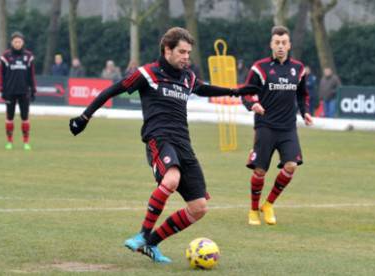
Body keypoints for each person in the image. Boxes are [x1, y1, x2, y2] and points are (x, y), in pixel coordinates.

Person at [69, 27, 259, 263]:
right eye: (182, 52)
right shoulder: (148, 73)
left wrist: (235, 91)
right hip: (159, 138)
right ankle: (142, 234)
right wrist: (84, 117)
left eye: (188, 53)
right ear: (167, 50)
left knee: (199, 207)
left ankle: (151, 243)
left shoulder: (187, 77)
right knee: (171, 179)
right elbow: (111, 90)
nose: (186, 57)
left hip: (183, 144)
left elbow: (203, 88)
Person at [241, 26, 313, 226]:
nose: (280, 46)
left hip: (288, 127)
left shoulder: (298, 69)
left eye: (284, 43)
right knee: (260, 171)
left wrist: (305, 111)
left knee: (291, 166)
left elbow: (302, 94)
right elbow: (245, 92)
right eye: (277, 43)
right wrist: (252, 104)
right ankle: (254, 210)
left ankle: (269, 204)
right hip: (265, 126)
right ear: (271, 45)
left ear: (289, 45)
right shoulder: (260, 68)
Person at [0, 31, 37, 150]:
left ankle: (26, 142)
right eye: (15, 41)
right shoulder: (5, 56)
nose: (17, 44)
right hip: (9, 92)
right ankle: (9, 141)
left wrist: (33, 90)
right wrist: (2, 89)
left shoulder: (28, 56)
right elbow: (1, 75)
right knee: (9, 117)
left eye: (19, 41)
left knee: (25, 117)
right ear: (12, 42)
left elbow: (32, 75)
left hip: (24, 92)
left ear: (23, 42)